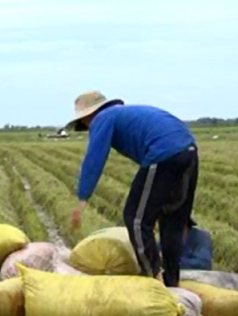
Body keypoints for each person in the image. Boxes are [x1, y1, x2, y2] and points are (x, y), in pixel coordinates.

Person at [67, 90, 198, 288]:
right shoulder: (126, 113)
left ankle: (153, 276)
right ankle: (172, 281)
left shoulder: (103, 117)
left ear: (88, 115)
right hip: (189, 152)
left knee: (136, 219)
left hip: (162, 154)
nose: (86, 126)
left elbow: (94, 157)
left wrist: (82, 197)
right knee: (171, 221)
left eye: (84, 122)